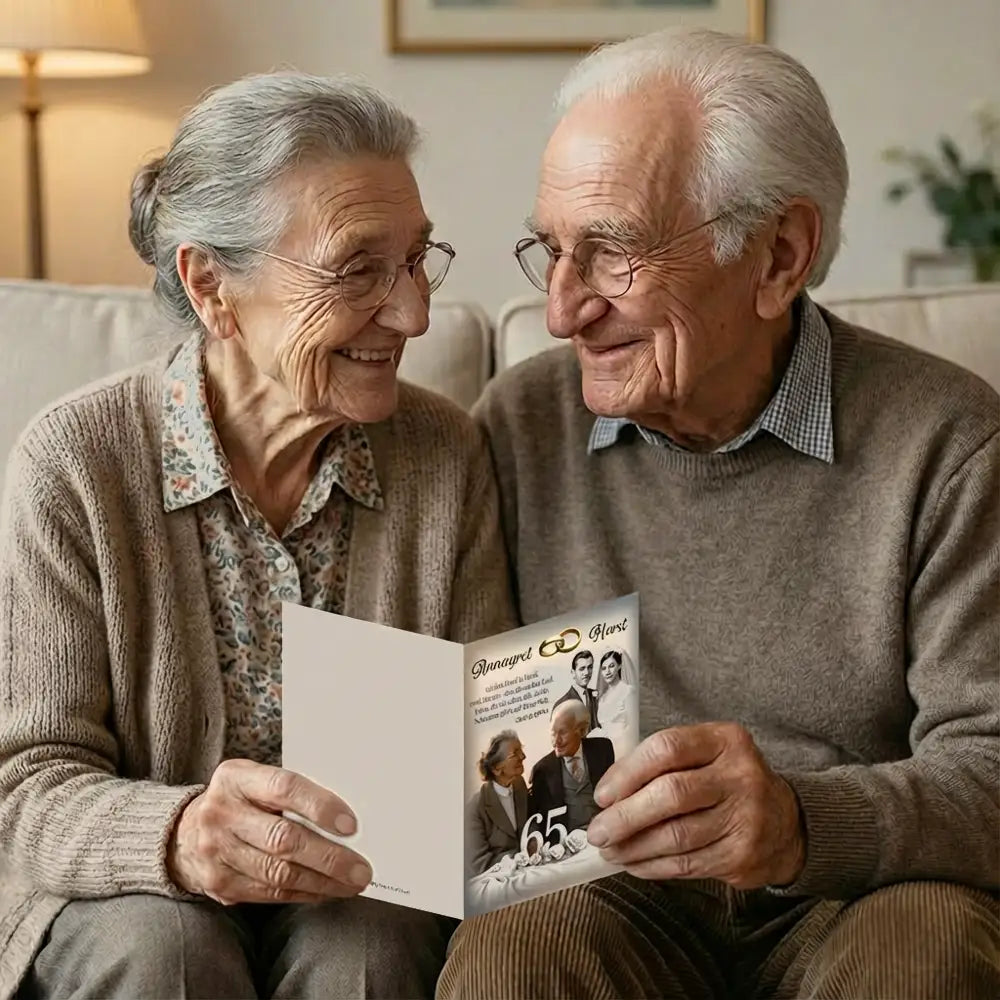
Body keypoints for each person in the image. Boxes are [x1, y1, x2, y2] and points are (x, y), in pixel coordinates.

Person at [439, 28, 1000, 1000]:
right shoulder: (519, 425)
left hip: (864, 891)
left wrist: (796, 821)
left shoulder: (947, 443)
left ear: (779, 255)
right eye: (550, 251)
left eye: (610, 252)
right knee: (510, 953)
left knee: (926, 955)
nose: (565, 310)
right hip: (607, 884)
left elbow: (990, 765)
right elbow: (467, 731)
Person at [0, 72, 516, 1000]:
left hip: (364, 892)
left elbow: (488, 743)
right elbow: (23, 789)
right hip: (135, 898)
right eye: (359, 267)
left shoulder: (444, 455)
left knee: (372, 947)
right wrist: (181, 833)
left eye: (417, 260)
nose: (413, 314)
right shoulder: (77, 463)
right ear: (210, 285)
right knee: (167, 950)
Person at [527, 701, 614, 848]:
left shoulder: (603, 749)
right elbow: (536, 818)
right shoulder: (542, 770)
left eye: (562, 732)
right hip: (567, 845)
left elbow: (616, 792)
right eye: (553, 733)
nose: (556, 741)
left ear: (582, 730)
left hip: (608, 831)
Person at [466, 730, 529, 877]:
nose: (523, 757)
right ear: (496, 768)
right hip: (497, 879)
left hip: (527, 868)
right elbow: (479, 863)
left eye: (522, 750)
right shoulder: (474, 808)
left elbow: (529, 822)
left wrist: (533, 842)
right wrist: (513, 860)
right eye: (515, 754)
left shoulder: (519, 783)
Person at [591, 649, 637, 760]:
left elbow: (634, 725)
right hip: (604, 747)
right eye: (604, 668)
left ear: (619, 666)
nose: (607, 672)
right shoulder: (602, 697)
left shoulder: (628, 691)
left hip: (622, 746)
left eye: (611, 666)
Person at [551, 648, 600, 731]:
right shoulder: (562, 704)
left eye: (590, 667)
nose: (587, 672)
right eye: (582, 669)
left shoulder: (597, 695)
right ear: (573, 673)